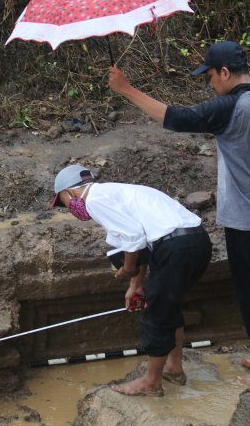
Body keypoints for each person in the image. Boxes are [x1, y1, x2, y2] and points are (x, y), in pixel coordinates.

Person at [108, 40, 250, 387]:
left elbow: (175, 117)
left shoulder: (230, 106)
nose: (210, 83)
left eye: (211, 76)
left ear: (225, 72)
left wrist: (126, 90)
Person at [50, 164, 212, 397]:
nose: (68, 209)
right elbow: (140, 245)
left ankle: (151, 382)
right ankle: (174, 369)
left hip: (174, 248)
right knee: (168, 306)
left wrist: (126, 270)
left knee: (156, 315)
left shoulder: (95, 200)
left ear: (71, 193)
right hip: (195, 242)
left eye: (63, 203)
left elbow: (133, 239)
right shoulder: (115, 193)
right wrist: (135, 285)